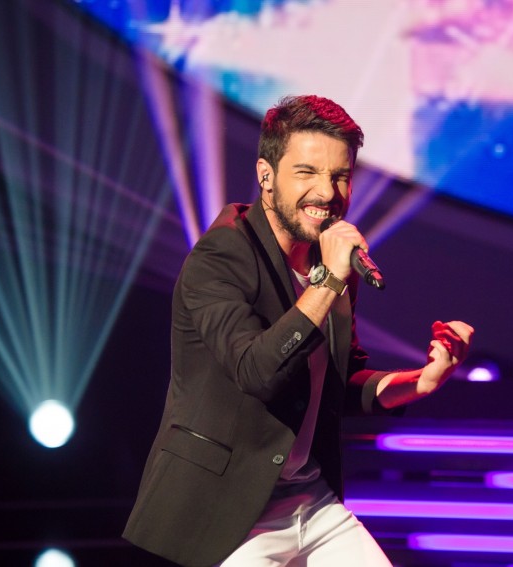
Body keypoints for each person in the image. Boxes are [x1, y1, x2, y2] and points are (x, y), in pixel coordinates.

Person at [123, 94, 473, 567]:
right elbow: (257, 372)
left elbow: (339, 384)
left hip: (312, 501)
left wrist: (420, 381)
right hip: (231, 509)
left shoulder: (328, 264)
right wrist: (329, 282)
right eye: (306, 172)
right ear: (266, 176)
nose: (327, 193)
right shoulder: (221, 256)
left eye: (341, 176)